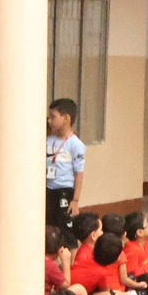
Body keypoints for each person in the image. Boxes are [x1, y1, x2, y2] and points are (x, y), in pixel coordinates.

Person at [45, 98, 85, 230]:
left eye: (53, 117)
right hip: (48, 190)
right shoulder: (48, 141)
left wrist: (75, 200)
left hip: (64, 191)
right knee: (49, 227)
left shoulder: (75, 144)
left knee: (65, 229)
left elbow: (79, 173)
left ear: (66, 119)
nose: (49, 121)